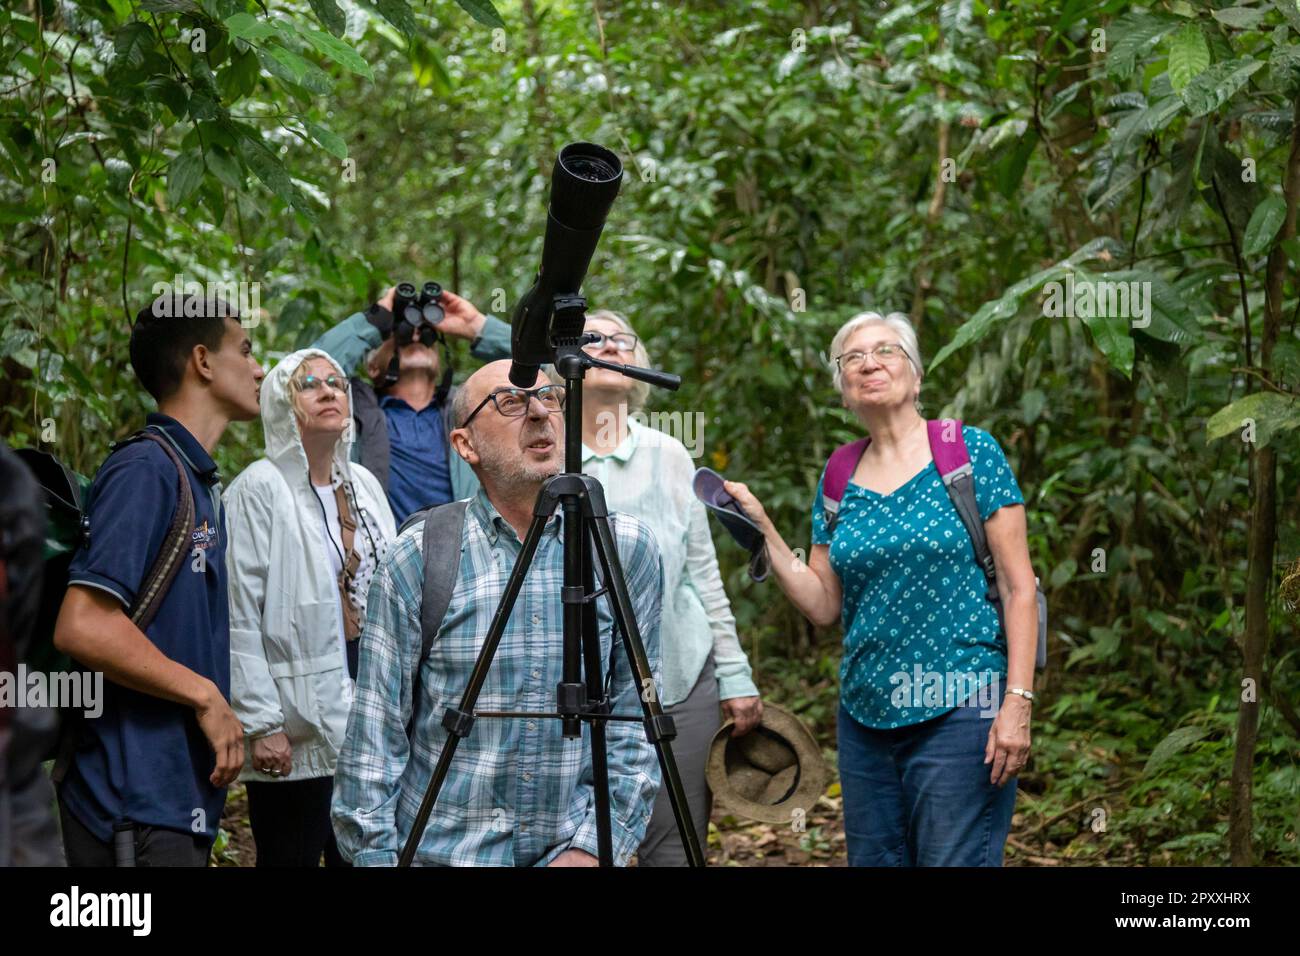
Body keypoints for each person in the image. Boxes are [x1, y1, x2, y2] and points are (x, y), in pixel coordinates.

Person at [725, 311, 1037, 867]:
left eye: (887, 350)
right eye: (853, 358)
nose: (869, 362)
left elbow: (1019, 588)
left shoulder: (968, 452)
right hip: (866, 716)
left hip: (962, 704)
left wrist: (1017, 701)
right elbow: (823, 603)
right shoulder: (839, 473)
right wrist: (764, 529)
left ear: (916, 376)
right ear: (844, 392)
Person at [332, 360, 664, 866]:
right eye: (510, 402)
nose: (537, 412)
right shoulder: (421, 556)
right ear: (466, 446)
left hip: (570, 850)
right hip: (442, 853)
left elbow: (634, 720)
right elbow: (375, 736)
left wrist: (596, 849)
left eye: (550, 396)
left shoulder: (623, 549)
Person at [52, 294, 264, 866]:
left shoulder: (193, 479)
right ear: (202, 361)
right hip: (129, 802)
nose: (259, 367)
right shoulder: (146, 469)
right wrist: (205, 697)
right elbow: (82, 625)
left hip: (171, 801)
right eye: (245, 350)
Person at [562, 309, 762, 867]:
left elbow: (702, 575)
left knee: (675, 844)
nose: (611, 347)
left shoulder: (670, 454)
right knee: (580, 841)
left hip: (677, 676)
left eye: (622, 340)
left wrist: (736, 674)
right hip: (573, 689)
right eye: (592, 338)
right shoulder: (544, 458)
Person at [224, 348, 396, 867]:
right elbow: (238, 613)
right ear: (283, 404)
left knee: (361, 855)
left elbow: (390, 594)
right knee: (289, 856)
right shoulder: (258, 489)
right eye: (309, 384)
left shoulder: (361, 485)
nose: (328, 391)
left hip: (366, 705)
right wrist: (260, 722)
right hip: (294, 723)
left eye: (336, 382)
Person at [311, 285, 511, 524]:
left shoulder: (470, 409)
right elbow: (302, 375)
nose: (415, 335)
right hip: (385, 555)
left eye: (426, 331)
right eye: (401, 331)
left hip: (466, 552)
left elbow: (545, 373)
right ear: (372, 366)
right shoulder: (351, 410)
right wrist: (375, 321)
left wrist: (475, 326)